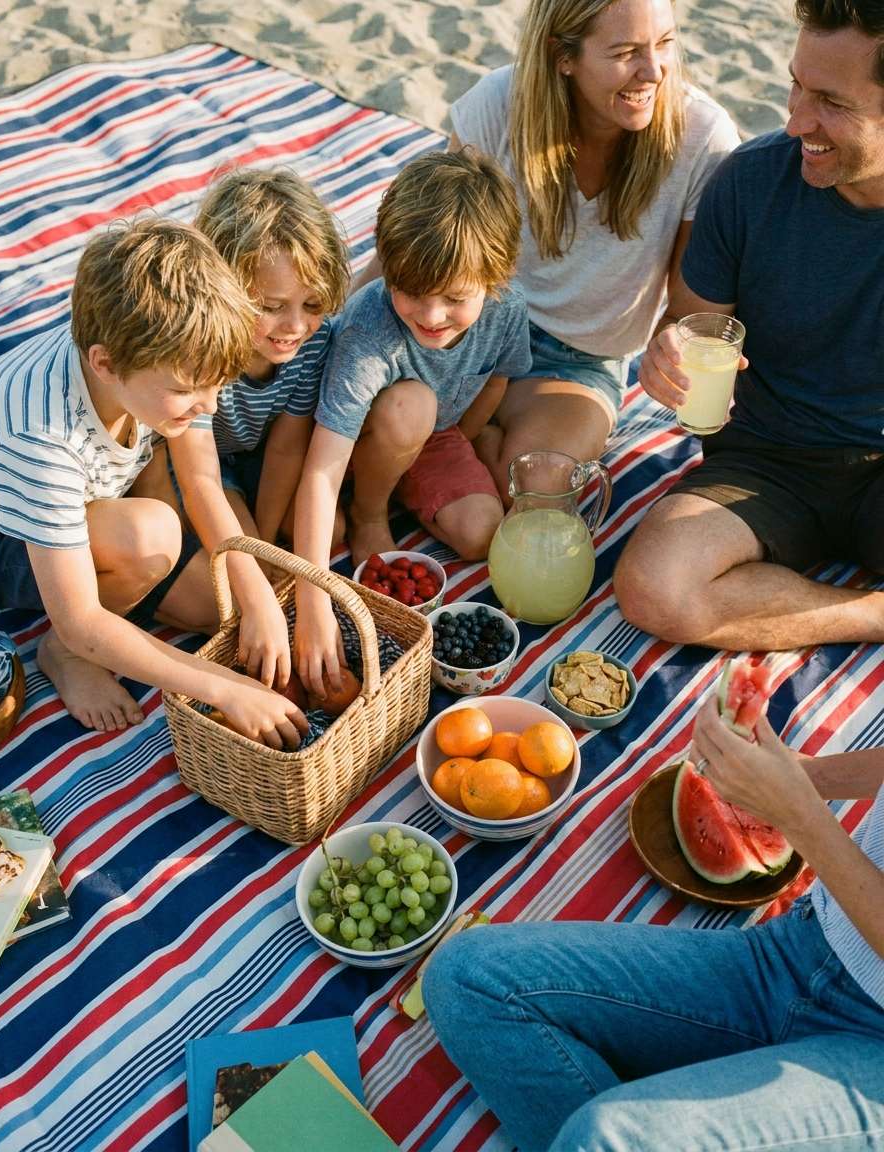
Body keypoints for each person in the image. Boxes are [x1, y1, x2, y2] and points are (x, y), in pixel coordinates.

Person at [424, 696, 884, 1152]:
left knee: (606, 1136)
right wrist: (808, 776)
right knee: (466, 977)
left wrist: (798, 813)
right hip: (808, 942)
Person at [0, 217, 307, 748]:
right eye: (190, 390)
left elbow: (203, 480)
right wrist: (226, 688)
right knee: (151, 536)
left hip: (84, 497)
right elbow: (80, 619)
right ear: (105, 364)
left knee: (223, 612)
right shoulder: (38, 439)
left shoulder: (165, 354)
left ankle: (120, 586)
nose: (210, 405)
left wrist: (258, 597)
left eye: (217, 385)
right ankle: (62, 656)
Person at [614, 0, 884, 652]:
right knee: (654, 587)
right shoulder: (749, 184)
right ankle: (871, 614)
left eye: (830, 101)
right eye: (794, 83)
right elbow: (689, 325)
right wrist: (667, 352)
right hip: (765, 464)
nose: (795, 122)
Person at [447, 0, 739, 498]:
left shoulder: (703, 137)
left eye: (665, 43)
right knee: (370, 431)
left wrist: (671, 347)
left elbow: (687, 313)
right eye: (626, 52)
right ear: (562, 54)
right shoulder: (499, 102)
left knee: (538, 487)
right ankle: (466, 441)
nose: (654, 71)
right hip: (467, 332)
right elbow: (426, 247)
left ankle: (469, 440)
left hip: (576, 364)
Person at [293, 149, 531, 696]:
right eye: (412, 293)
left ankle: (403, 482)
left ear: (498, 277)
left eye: (454, 298)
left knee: (480, 534)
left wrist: (464, 439)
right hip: (355, 435)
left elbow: (499, 376)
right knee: (411, 408)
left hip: (434, 434)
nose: (430, 315)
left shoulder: (509, 308)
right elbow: (322, 470)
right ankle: (372, 509)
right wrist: (313, 594)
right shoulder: (369, 332)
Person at [189, 167, 349, 548]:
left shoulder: (314, 341)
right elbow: (196, 470)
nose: (295, 326)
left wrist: (268, 535)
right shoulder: (199, 344)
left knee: (331, 532)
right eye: (271, 306)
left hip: (255, 456)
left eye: (312, 304)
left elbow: (286, 448)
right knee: (246, 555)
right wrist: (259, 550)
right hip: (196, 467)